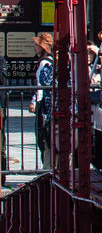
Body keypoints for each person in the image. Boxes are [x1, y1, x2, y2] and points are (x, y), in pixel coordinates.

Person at [30, 32, 54, 166]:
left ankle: (47, 166)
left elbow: (40, 85)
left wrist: (34, 101)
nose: (34, 46)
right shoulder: (51, 61)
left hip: (44, 105)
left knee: (43, 137)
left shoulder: (43, 63)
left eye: (36, 44)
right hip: (50, 104)